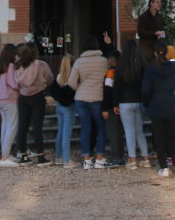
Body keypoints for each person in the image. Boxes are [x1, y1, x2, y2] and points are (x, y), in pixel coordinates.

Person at [142, 41, 175, 177]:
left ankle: (164, 167)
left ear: (155, 53)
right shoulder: (174, 68)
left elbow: (145, 90)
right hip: (170, 104)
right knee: (171, 136)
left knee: (159, 138)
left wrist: (148, 104)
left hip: (156, 105)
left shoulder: (151, 69)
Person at [69, 35, 110, 168]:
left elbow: (71, 82)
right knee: (100, 128)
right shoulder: (104, 61)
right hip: (98, 97)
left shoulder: (79, 62)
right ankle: (99, 157)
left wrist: (79, 89)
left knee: (86, 128)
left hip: (81, 98)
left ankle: (86, 159)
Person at [12, 42, 53, 166]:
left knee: (22, 127)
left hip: (23, 97)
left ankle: (23, 156)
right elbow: (50, 78)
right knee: (37, 127)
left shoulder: (18, 65)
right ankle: (40, 157)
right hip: (37, 96)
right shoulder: (41, 65)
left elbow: (16, 81)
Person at [114, 40, 149, 168]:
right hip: (139, 101)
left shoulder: (122, 67)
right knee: (139, 131)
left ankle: (132, 159)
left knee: (129, 131)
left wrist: (115, 103)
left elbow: (117, 87)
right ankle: (145, 158)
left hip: (125, 101)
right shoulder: (142, 66)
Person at [0, 43, 21, 166]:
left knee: (5, 127)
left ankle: (5, 155)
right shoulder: (9, 66)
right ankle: (5, 158)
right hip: (10, 100)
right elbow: (13, 84)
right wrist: (21, 86)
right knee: (12, 127)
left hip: (0, 100)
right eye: (16, 54)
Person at [48, 53, 77, 168]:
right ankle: (66, 160)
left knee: (60, 132)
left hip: (59, 106)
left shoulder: (59, 76)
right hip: (69, 108)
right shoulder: (73, 78)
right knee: (66, 135)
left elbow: (53, 91)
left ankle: (58, 156)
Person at [101, 50, 125, 166]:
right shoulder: (123, 71)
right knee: (120, 132)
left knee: (113, 133)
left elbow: (107, 91)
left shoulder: (110, 73)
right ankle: (121, 156)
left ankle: (115, 157)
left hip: (111, 107)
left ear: (111, 60)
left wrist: (104, 108)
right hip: (122, 105)